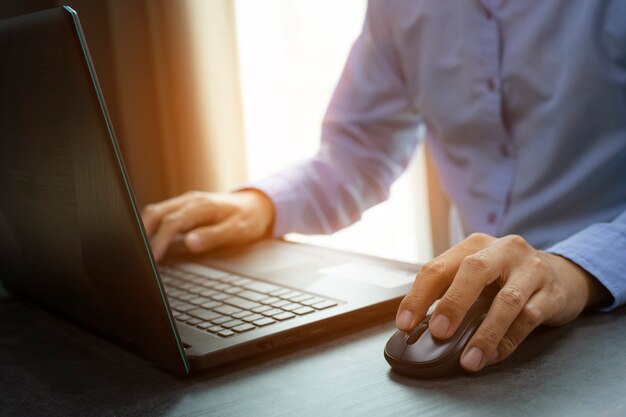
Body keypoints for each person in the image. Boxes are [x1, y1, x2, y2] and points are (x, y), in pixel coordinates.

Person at [141, 1, 626, 373]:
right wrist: (259, 205)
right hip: (472, 307)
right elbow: (359, 152)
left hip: (607, 307)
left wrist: (575, 269)